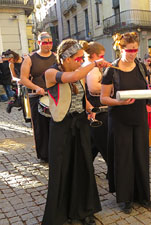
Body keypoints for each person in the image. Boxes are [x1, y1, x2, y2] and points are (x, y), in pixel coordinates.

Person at [42, 39, 110, 225]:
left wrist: (89, 109)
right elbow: (70, 79)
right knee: (62, 169)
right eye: (78, 58)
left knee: (83, 167)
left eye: (82, 59)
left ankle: (84, 210)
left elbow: (82, 96)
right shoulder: (51, 72)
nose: (81, 61)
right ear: (66, 58)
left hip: (80, 125)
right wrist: (94, 64)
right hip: (61, 127)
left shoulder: (78, 73)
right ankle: (62, 213)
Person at [101, 32, 151, 214]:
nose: (132, 53)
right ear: (120, 49)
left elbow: (146, 90)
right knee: (124, 159)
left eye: (135, 50)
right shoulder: (111, 70)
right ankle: (125, 199)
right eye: (129, 50)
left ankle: (143, 196)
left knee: (141, 156)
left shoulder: (141, 67)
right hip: (119, 119)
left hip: (139, 118)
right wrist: (119, 102)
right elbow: (103, 98)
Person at [20, 32, 56, 162]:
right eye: (45, 42)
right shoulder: (30, 58)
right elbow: (23, 78)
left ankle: (56, 152)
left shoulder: (56, 57)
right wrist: (36, 88)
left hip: (55, 94)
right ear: (39, 43)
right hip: (37, 96)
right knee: (41, 126)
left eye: (50, 42)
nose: (48, 45)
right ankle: (44, 154)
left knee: (55, 124)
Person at [80, 40, 108, 164]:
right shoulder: (93, 68)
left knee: (93, 143)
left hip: (92, 105)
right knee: (102, 141)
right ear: (94, 56)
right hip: (96, 106)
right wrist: (110, 87)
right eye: (101, 56)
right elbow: (93, 87)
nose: (103, 59)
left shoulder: (87, 65)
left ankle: (85, 169)